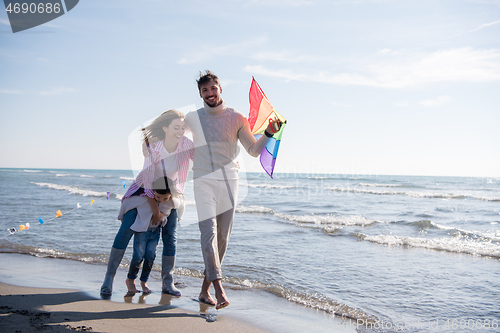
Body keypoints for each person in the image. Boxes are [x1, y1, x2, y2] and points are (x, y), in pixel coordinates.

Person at [185, 70, 282, 309]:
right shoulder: (191, 118)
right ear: (200, 94)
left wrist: (269, 133)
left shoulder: (236, 117)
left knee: (222, 240)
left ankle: (204, 291)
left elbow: (253, 150)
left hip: (229, 181)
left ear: (220, 89)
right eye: (205, 90)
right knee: (207, 234)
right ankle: (219, 289)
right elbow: (174, 140)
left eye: (213, 89)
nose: (209, 93)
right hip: (203, 181)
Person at [100, 110, 194, 296]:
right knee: (126, 229)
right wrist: (155, 212)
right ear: (165, 128)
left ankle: (168, 283)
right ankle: (109, 278)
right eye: (176, 127)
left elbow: (203, 160)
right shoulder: (154, 147)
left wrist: (226, 163)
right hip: (145, 190)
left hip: (170, 191)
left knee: (170, 237)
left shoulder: (186, 144)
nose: (180, 131)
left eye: (183, 128)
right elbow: (149, 181)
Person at [123, 177, 174, 294]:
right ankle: (130, 279)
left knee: (150, 256)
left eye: (165, 198)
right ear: (153, 192)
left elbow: (167, 213)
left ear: (170, 195)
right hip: (141, 231)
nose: (161, 200)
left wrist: (161, 215)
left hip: (155, 232)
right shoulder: (144, 199)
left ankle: (144, 281)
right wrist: (122, 217)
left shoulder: (168, 203)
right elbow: (127, 203)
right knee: (138, 256)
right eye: (158, 197)